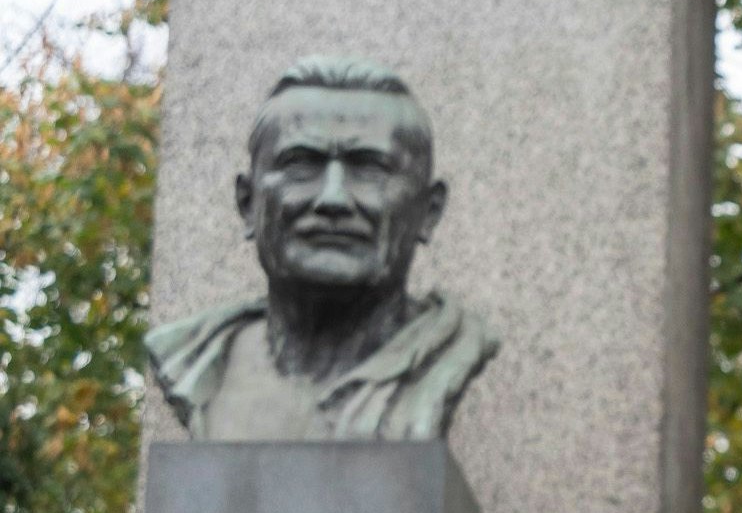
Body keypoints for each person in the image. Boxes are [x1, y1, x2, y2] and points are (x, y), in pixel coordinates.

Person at [146, 57, 496, 440]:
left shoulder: (451, 352)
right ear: (248, 203)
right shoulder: (195, 361)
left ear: (428, 212)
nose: (333, 198)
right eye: (301, 165)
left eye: (370, 169)